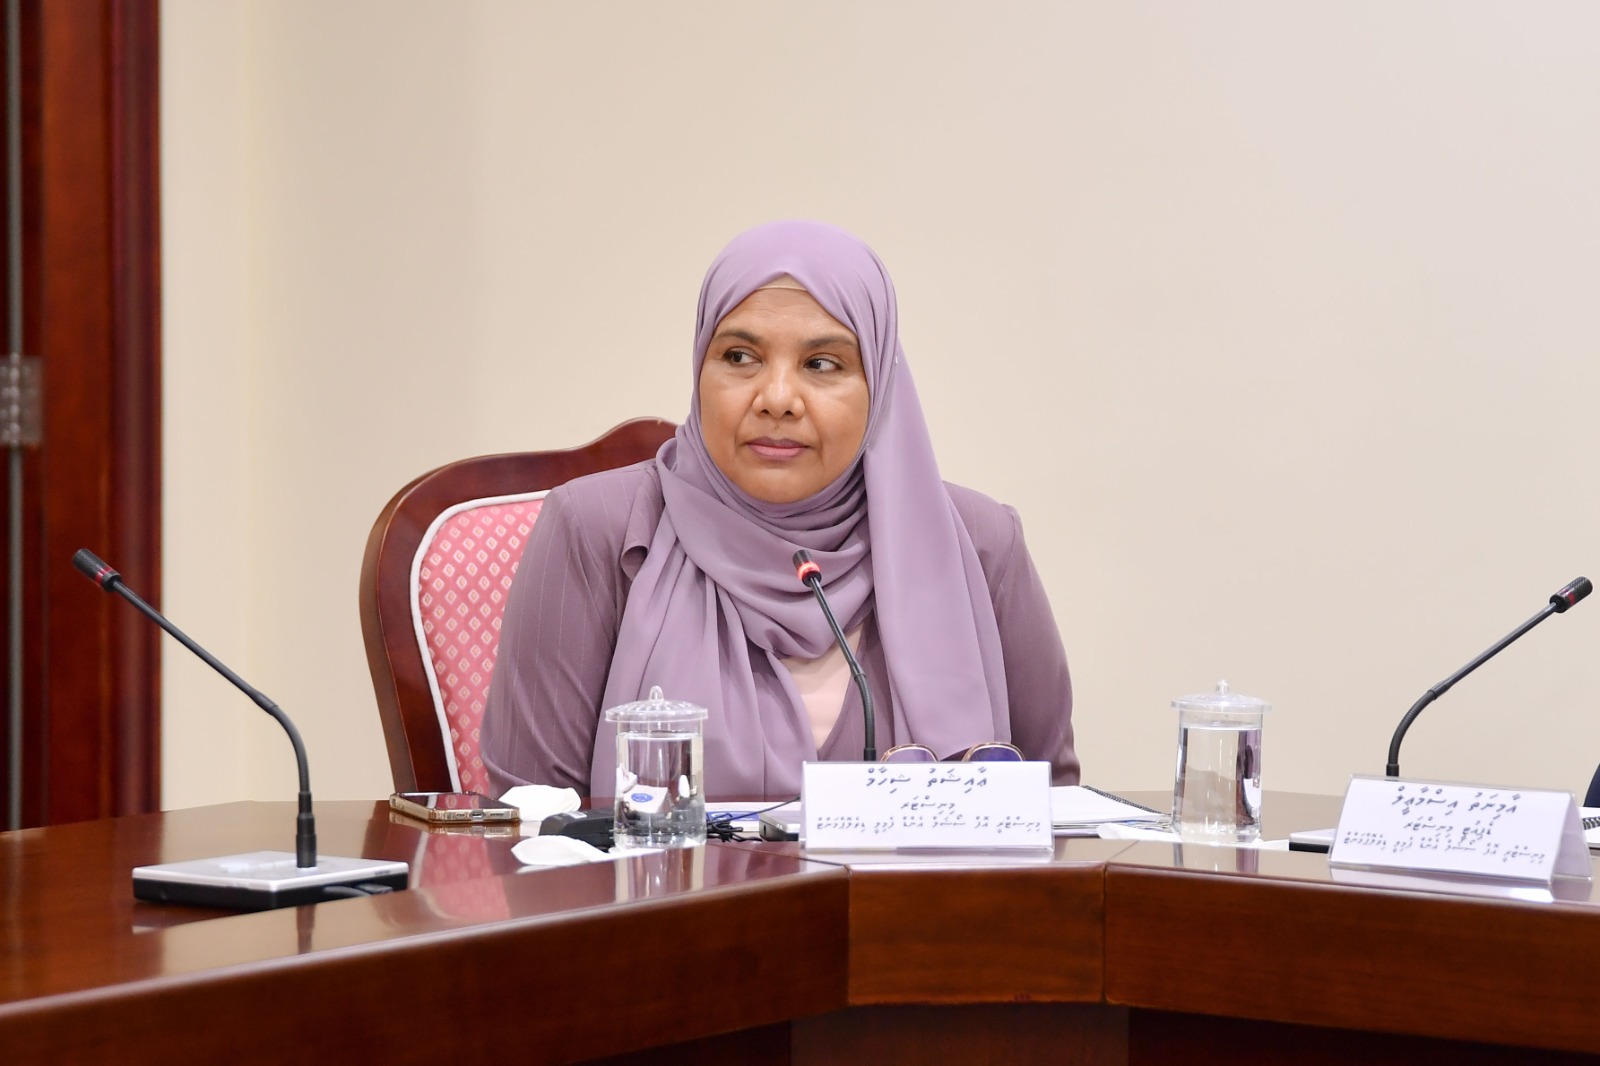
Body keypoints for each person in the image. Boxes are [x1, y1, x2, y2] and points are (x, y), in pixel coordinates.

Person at [481, 221, 1077, 800]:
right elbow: (531, 817)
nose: (777, 399)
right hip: (664, 875)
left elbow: (1057, 808)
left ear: (879, 387)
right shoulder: (597, 529)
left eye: (822, 364)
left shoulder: (980, 543)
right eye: (741, 356)